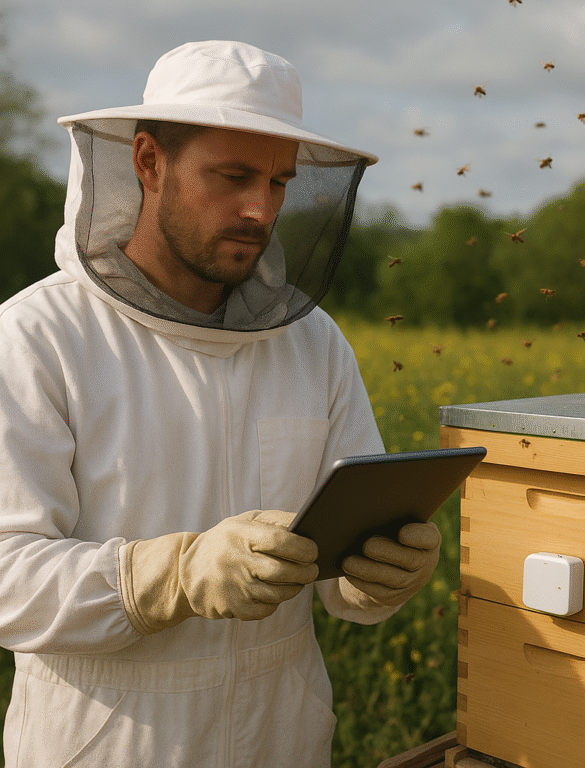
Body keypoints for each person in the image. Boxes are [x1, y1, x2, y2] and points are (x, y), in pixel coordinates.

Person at [0, 40, 441, 767]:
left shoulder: (313, 343)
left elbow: (346, 573)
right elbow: (10, 578)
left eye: (276, 182)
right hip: (108, 747)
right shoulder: (37, 339)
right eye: (232, 176)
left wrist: (378, 575)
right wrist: (169, 575)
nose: (259, 209)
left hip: (284, 741)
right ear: (148, 161)